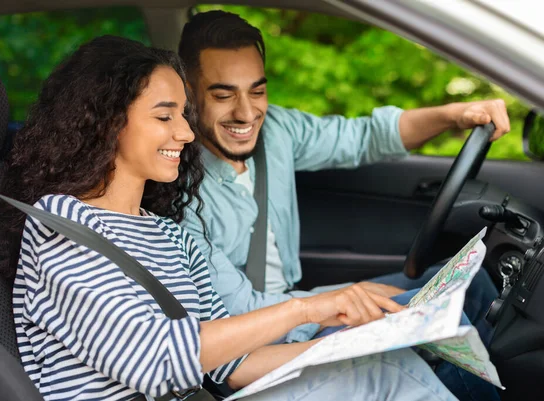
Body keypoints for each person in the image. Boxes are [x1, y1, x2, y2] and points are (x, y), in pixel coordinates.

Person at [0, 35, 457, 401]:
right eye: (164, 117)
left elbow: (230, 367)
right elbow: (154, 361)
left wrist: (345, 347)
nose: (184, 132)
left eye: (184, 114)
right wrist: (307, 308)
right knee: (384, 379)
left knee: (385, 366)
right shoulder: (64, 228)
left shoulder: (168, 235)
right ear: (106, 123)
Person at [177, 10, 504, 401]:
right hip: (255, 341)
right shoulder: (179, 193)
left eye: (257, 91)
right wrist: (340, 299)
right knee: (441, 323)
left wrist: (455, 115)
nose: (246, 113)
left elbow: (364, 136)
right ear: (188, 92)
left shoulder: (276, 131)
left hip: (299, 301)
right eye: (223, 94)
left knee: (476, 287)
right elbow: (240, 311)